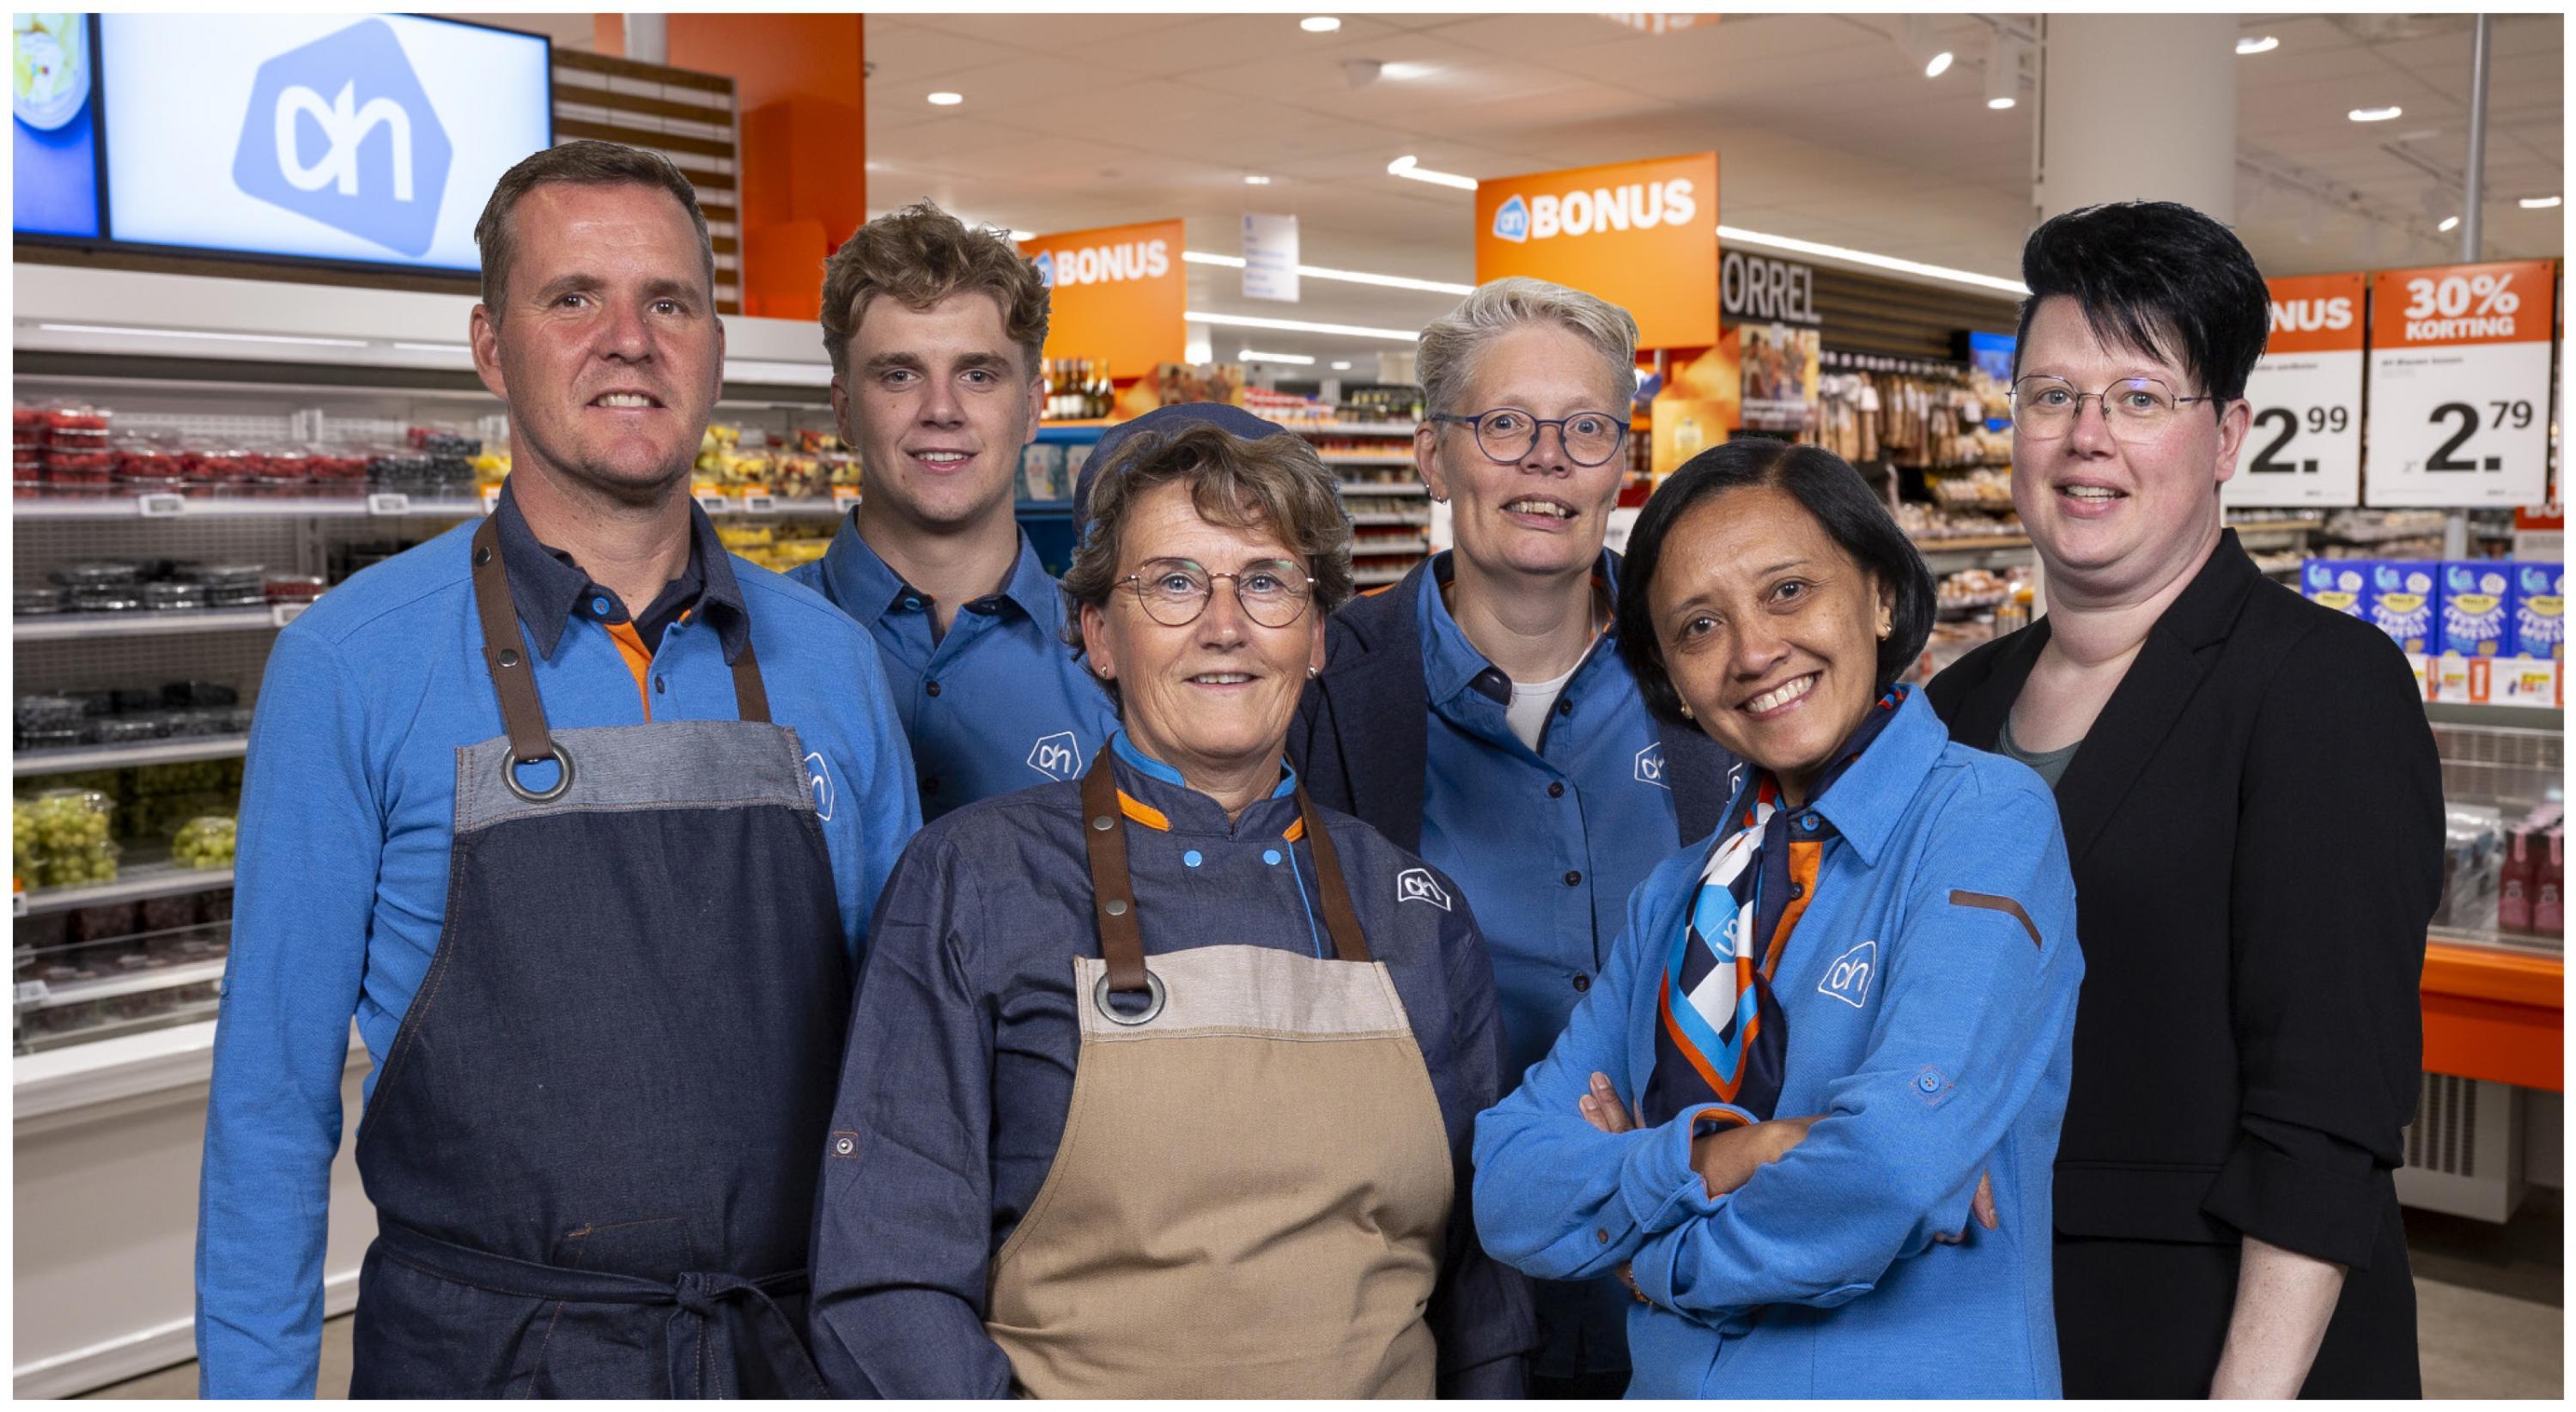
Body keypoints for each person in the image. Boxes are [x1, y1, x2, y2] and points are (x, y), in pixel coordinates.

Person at [194, 140, 920, 1398]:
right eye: (573, 296)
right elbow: (270, 1104)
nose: (629, 339)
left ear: (715, 348)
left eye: (671, 302)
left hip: (795, 1352)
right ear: (491, 346)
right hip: (484, 1359)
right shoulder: (350, 666)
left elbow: (916, 1076)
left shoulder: (833, 668)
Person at [807, 412, 1534, 1397]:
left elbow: (1483, 1303)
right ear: (1100, 635)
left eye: (1267, 582)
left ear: (1318, 638)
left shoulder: (1416, 911)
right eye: (1175, 583)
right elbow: (888, 1287)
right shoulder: (972, 882)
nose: (1224, 625)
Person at [1925, 200, 2443, 1398]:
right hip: (1986, 1328)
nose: (2086, 436)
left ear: (2227, 437)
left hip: (2211, 1341)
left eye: (2141, 398)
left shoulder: (2320, 689)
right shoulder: (1958, 705)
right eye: (2052, 396)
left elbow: (2326, 1117)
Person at [1474, 441, 2084, 1397]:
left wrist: (1653, 1261)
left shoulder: (1983, 821)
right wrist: (1736, 1153)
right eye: (1700, 626)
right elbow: (1510, 1186)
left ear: (1880, 595)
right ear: (1671, 677)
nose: (1754, 652)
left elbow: (1887, 1167)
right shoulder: (1676, 895)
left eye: (1789, 591)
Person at [1287, 277, 1739, 1394]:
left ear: (1620, 461)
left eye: (1584, 427)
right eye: (1504, 425)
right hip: (1421, 1290)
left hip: (1689, 1274)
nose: (1546, 459)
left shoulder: (1722, 677)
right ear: (1435, 457)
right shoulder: (1324, 688)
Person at [793, 201, 1117, 819]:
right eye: (898, 376)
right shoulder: (748, 645)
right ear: (843, 411)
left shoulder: (1114, 654)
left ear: (1031, 409)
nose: (941, 409)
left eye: (977, 375)